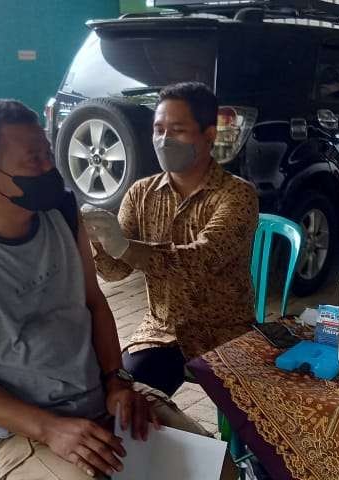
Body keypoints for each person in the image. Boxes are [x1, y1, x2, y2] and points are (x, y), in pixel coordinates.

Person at [0, 99, 234, 479]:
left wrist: (116, 379)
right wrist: (50, 428)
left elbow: (93, 302)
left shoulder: (60, 210)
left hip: (101, 397)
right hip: (24, 427)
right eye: (34, 159)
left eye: (48, 152)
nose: (50, 168)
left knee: (218, 470)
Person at [83, 82, 258, 397]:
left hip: (225, 334)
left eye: (177, 130)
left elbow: (201, 259)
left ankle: (218, 447)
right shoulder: (140, 193)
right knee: (124, 399)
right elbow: (116, 272)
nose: (164, 140)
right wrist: (97, 241)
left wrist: (124, 246)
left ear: (208, 135)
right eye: (158, 129)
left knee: (257, 425)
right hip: (163, 332)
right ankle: (174, 444)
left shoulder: (237, 195)